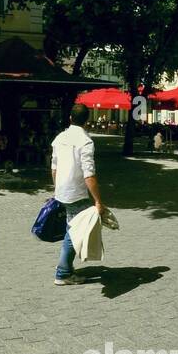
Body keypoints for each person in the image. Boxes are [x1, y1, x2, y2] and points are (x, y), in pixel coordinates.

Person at [50, 103, 113, 286]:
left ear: (70, 118)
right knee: (75, 231)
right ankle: (62, 273)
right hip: (76, 193)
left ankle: (65, 270)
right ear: (87, 120)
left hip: (62, 190)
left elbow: (54, 167)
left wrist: (56, 189)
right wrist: (98, 201)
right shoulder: (85, 141)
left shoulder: (60, 137)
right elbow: (89, 174)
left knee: (73, 227)